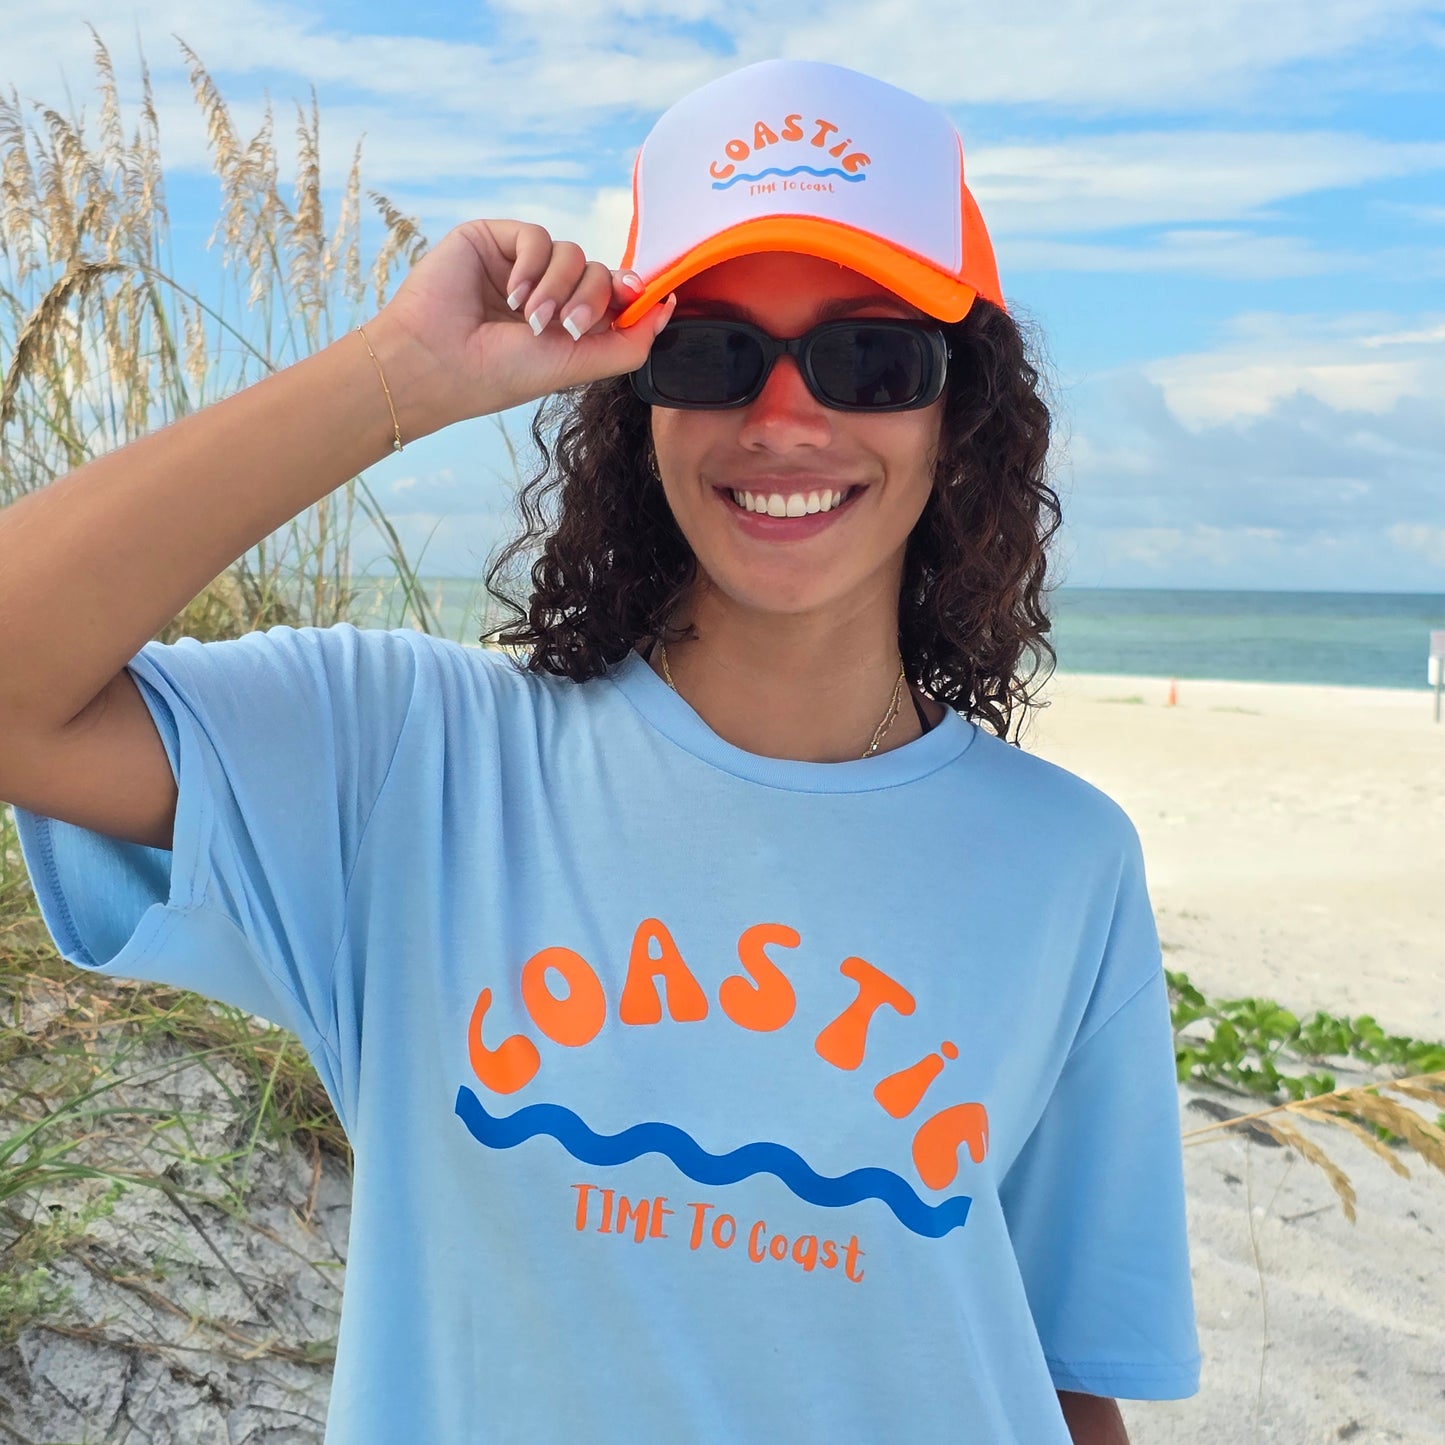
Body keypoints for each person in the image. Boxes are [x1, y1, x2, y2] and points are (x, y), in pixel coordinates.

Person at [0, 58, 1199, 1445]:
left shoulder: (1062, 859)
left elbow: (1060, 1374)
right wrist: (397, 374)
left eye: (872, 352)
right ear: (634, 395)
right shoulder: (412, 765)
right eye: (713, 351)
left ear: (958, 408)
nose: (785, 416)